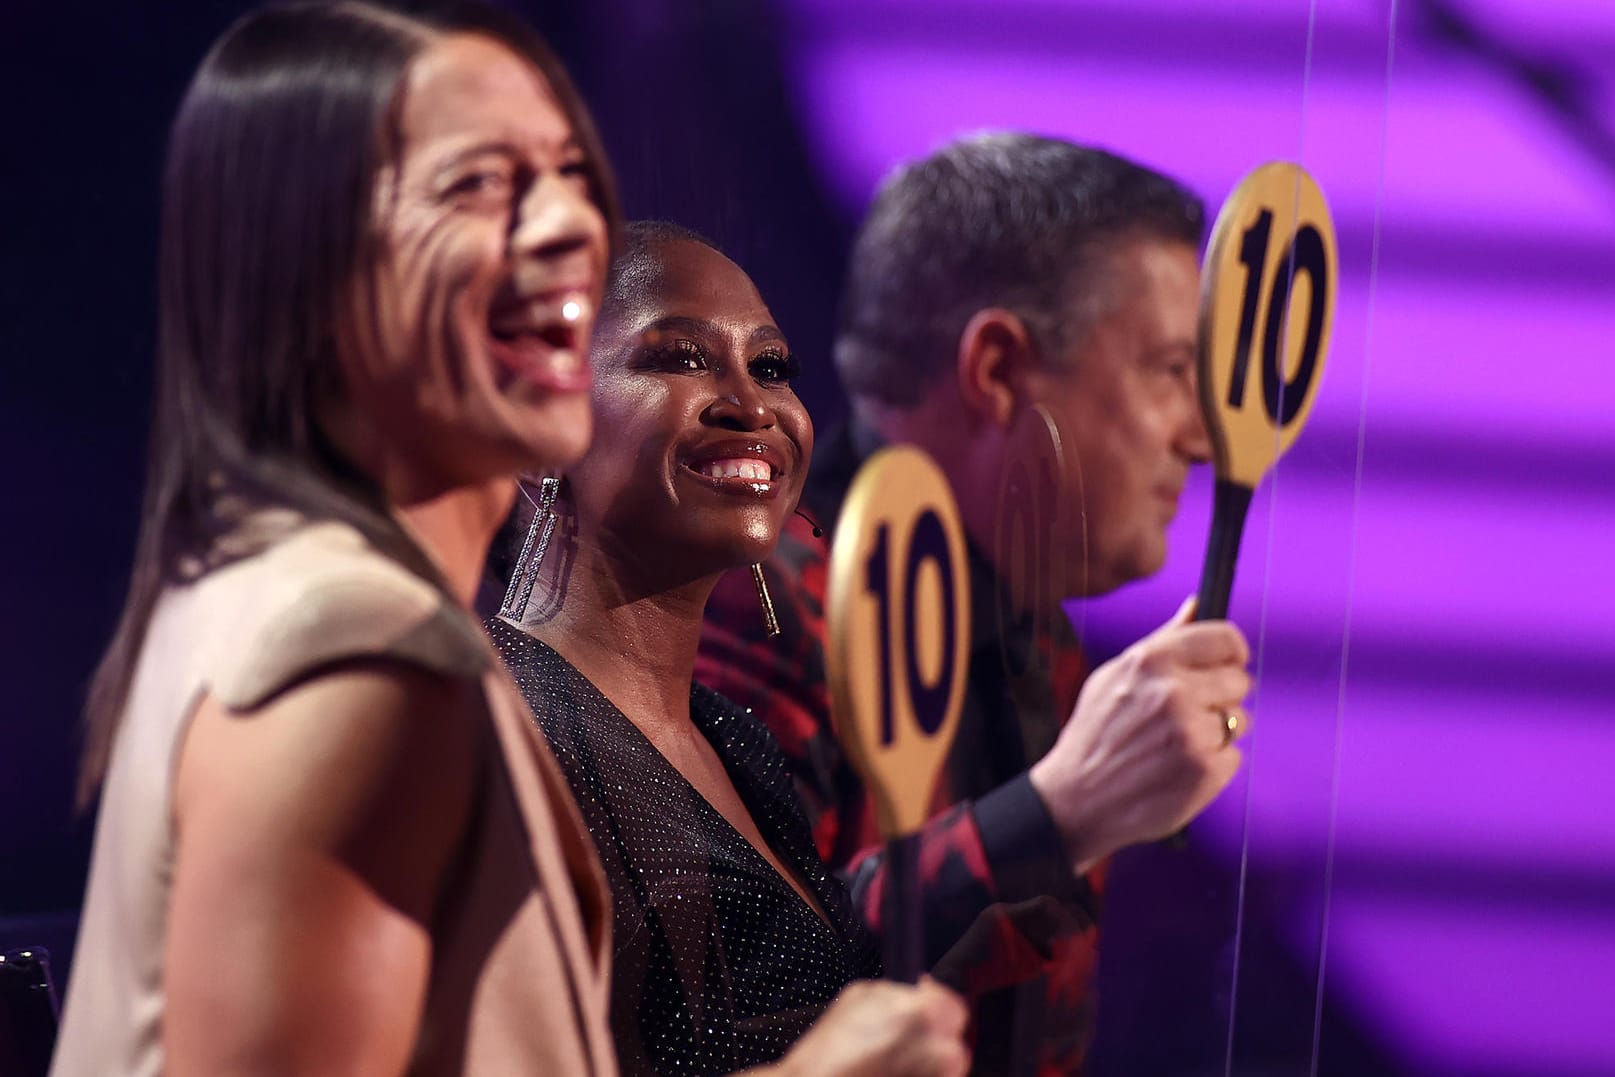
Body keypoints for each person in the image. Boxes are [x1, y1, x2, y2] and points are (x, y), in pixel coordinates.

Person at [50, 6, 965, 1075]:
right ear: (315, 268)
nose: (566, 229)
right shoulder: (352, 657)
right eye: (477, 184)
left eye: (568, 174)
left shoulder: (319, 612)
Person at [697, 133, 1254, 1074]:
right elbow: (729, 1001)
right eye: (1167, 370)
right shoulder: (754, 595)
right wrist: (1058, 813)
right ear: (995, 369)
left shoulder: (1040, 637)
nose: (1201, 436)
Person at [488, 221, 966, 1077]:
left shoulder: (737, 742)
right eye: (678, 358)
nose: (750, 406)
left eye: (772, 367)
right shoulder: (494, 730)